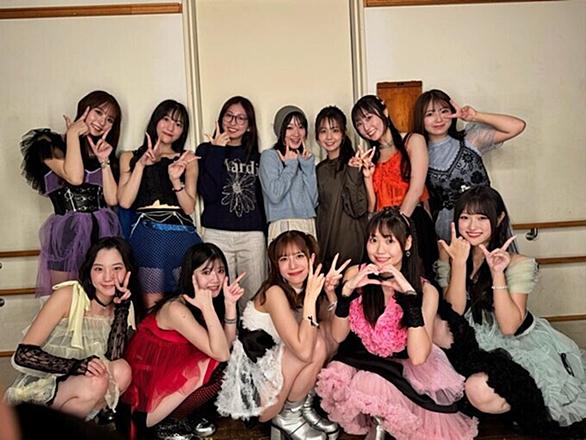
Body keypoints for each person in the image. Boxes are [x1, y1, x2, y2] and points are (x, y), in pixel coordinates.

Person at [434, 186, 586, 437]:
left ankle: (515, 404)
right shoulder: (451, 252)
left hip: (518, 344)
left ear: (499, 218)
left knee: (478, 389)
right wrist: (458, 264)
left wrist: (497, 273)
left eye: (482, 218)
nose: (472, 226)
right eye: (465, 217)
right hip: (471, 341)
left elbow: (508, 327)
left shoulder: (519, 263)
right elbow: (455, 312)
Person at [316, 208, 478, 440]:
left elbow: (418, 356)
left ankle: (386, 426)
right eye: (374, 240)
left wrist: (410, 299)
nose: (380, 250)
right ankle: (379, 423)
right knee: (339, 375)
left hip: (406, 364)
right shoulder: (357, 274)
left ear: (407, 243)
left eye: (389, 241)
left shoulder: (426, 290)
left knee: (375, 386)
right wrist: (346, 294)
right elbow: (339, 335)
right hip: (365, 357)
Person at [216, 230, 339, 440]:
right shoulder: (274, 292)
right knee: (315, 343)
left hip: (279, 373)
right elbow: (303, 351)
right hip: (257, 390)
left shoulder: (305, 288)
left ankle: (299, 409)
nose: (293, 265)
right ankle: (288, 417)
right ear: (276, 266)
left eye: (299, 256)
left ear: (311, 258)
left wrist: (330, 293)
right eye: (284, 259)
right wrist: (310, 299)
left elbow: (336, 336)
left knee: (324, 338)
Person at [122, 242, 244, 439]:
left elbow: (226, 346)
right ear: (191, 275)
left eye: (220, 271)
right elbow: (221, 354)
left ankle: (182, 416)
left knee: (223, 360)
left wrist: (230, 305)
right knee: (213, 362)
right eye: (206, 272)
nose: (215, 279)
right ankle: (160, 422)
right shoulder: (176, 308)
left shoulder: (203, 302)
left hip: (169, 379)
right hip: (145, 398)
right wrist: (208, 308)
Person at [5, 237, 135, 420]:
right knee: (96, 382)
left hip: (87, 389)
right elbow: (23, 355)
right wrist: (77, 366)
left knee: (122, 370)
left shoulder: (124, 305)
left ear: (128, 271)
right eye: (99, 269)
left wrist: (122, 308)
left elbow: (113, 359)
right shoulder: (68, 295)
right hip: (49, 388)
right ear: (89, 271)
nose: (108, 277)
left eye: (116, 269)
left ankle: (72, 428)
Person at [20, 90, 123, 295]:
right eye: (98, 112)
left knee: (99, 297)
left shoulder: (105, 152)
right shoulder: (48, 143)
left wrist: (104, 161)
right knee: (64, 296)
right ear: (84, 108)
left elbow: (112, 199)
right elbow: (74, 177)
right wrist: (74, 135)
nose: (102, 122)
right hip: (67, 230)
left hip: (103, 230)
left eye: (110, 119)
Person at [412, 89, 525, 242]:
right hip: (447, 225)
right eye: (430, 114)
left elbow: (517, 126)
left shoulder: (470, 139)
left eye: (444, 111)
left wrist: (476, 116)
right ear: (420, 118)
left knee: (491, 256)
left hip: (484, 217)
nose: (438, 119)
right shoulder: (418, 152)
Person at [118, 99, 199, 309]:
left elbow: (189, 207)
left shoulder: (187, 159)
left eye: (178, 124)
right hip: (148, 235)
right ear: (156, 120)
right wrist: (141, 165)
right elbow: (125, 201)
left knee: (185, 300)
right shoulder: (129, 157)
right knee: (152, 303)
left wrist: (175, 180)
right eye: (166, 119)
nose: (171, 127)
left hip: (182, 234)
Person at [351, 95, 438, 281]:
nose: (366, 127)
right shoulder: (370, 156)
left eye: (369, 118)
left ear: (384, 111)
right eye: (359, 124)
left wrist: (399, 227)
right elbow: (372, 207)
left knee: (419, 280)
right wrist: (366, 176)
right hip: (383, 231)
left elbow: (416, 189)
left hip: (412, 222)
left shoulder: (413, 140)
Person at [196, 96, 267, 310]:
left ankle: (251, 333)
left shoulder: (258, 157)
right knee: (217, 296)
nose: (233, 122)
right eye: (229, 116)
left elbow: (263, 200)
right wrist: (217, 150)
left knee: (252, 298)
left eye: (241, 118)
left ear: (249, 126)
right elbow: (208, 193)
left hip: (251, 235)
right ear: (220, 119)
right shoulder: (205, 151)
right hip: (216, 233)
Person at [315, 106, 369, 269]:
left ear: (343, 134)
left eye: (335, 130)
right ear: (317, 136)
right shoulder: (318, 170)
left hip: (350, 243)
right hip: (325, 243)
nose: (329, 137)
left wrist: (353, 172)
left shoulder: (355, 164)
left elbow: (358, 209)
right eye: (323, 131)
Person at [259, 106, 318, 242]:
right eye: (289, 128)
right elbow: (275, 195)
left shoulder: (303, 159)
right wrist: (291, 166)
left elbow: (313, 201)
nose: (296, 133)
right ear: (280, 130)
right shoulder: (270, 156)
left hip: (308, 223)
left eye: (301, 127)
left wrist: (307, 166)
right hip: (283, 223)